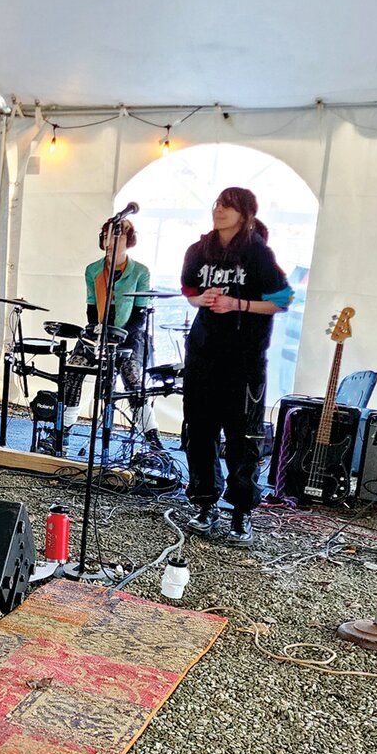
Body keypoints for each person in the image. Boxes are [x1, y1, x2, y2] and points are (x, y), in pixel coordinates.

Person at [180, 187, 293, 545]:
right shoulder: (199, 250)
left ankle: (242, 511)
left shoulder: (258, 253)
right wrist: (203, 298)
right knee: (199, 433)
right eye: (216, 204)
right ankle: (204, 503)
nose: (219, 211)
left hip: (243, 362)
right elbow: (188, 288)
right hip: (202, 355)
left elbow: (282, 300)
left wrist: (236, 304)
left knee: (243, 438)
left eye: (228, 206)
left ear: (244, 214)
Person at [60, 217, 163, 449]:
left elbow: (140, 315)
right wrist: (97, 333)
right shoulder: (93, 270)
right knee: (74, 369)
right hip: (99, 330)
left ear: (129, 240)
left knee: (132, 378)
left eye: (118, 235)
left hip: (129, 333)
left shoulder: (140, 272)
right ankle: (63, 428)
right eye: (106, 235)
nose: (110, 240)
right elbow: (90, 307)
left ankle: (152, 438)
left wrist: (120, 338)